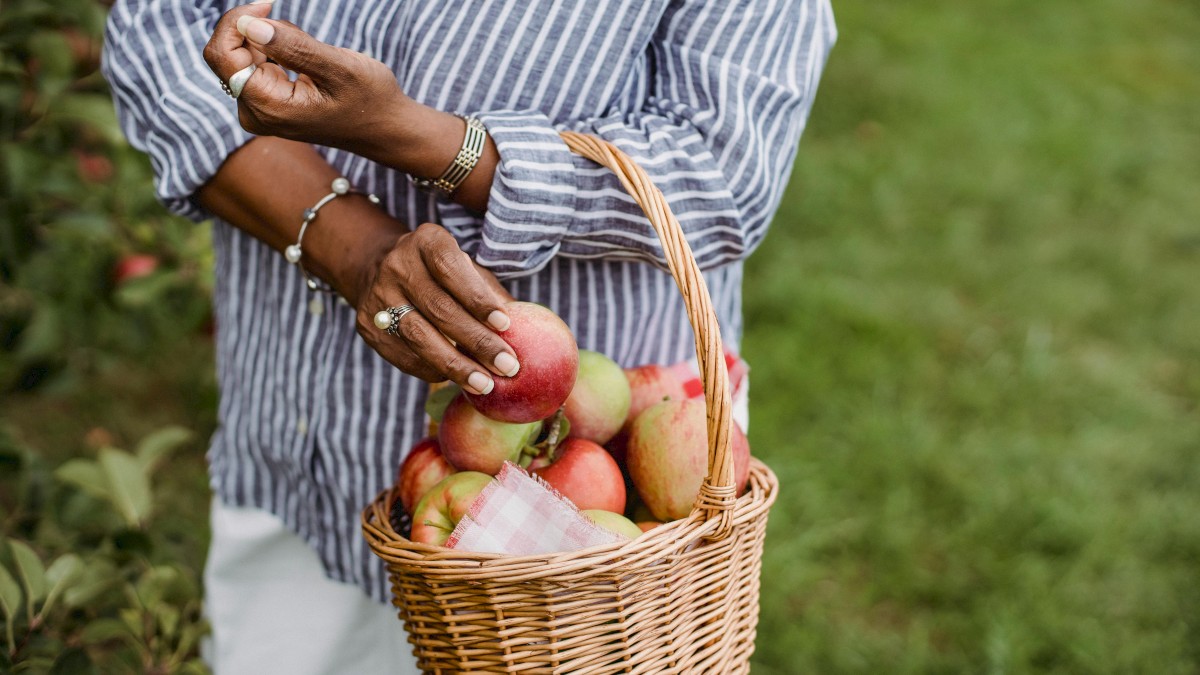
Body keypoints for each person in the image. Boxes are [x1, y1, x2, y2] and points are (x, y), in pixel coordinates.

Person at [102, 0, 835, 671]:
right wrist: (351, 247)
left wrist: (416, 136)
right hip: (304, 438)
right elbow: (157, 26)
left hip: (581, 531)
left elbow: (723, 170)